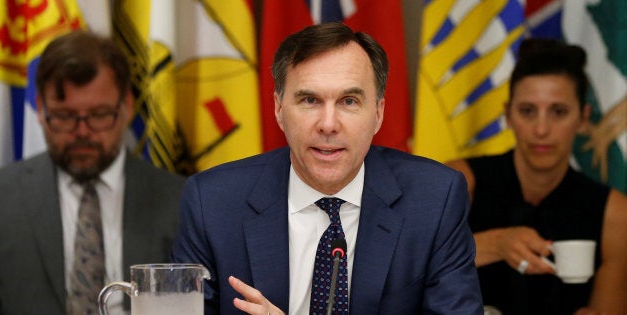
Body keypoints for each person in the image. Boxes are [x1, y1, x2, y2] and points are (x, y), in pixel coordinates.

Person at [171, 22, 483, 314]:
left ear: (378, 113)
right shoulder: (212, 203)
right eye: (309, 100)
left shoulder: (434, 200)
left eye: (348, 101)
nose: (328, 125)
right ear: (279, 110)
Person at [0, 31, 185, 315]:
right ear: (40, 109)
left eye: (99, 114)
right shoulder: (2, 197)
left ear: (127, 107)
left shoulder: (181, 200)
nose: (82, 132)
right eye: (64, 116)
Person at [446, 38, 627, 314]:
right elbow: (404, 269)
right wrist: (496, 244)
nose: (541, 129)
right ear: (508, 115)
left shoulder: (614, 214)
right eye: (528, 111)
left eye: (559, 112)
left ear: (583, 118)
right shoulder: (458, 180)